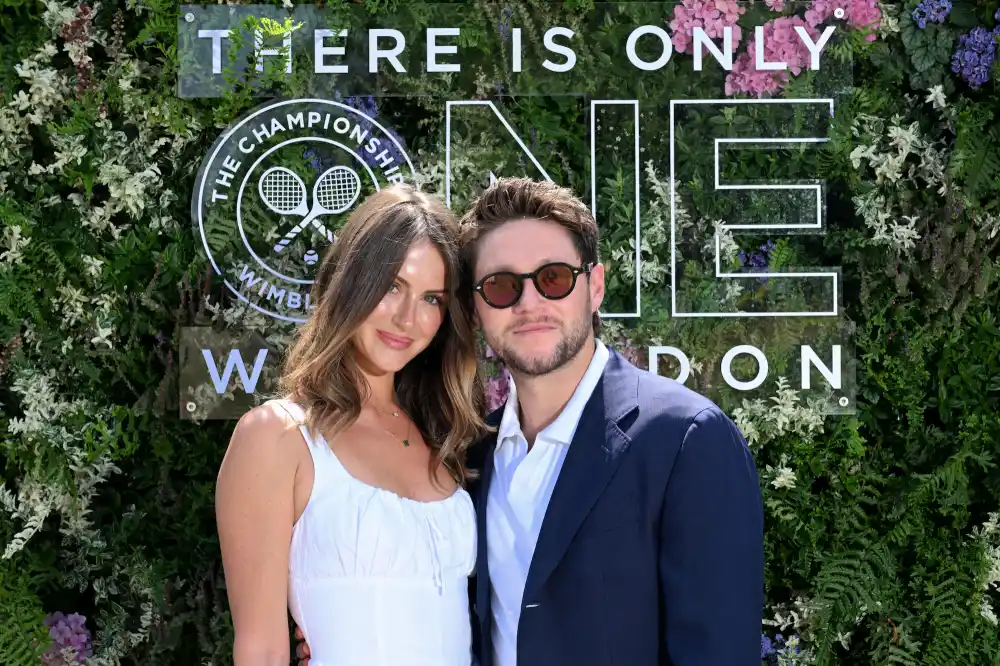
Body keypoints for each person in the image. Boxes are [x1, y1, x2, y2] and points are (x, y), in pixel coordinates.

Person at [295, 177, 765, 666]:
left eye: (554, 278)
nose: (529, 304)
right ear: (474, 309)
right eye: (501, 286)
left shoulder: (686, 441)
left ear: (595, 286)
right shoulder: (467, 453)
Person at [215, 183, 489, 666]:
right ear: (351, 282)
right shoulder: (278, 437)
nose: (408, 318)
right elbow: (259, 651)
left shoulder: (442, 435)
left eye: (432, 299)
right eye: (392, 286)